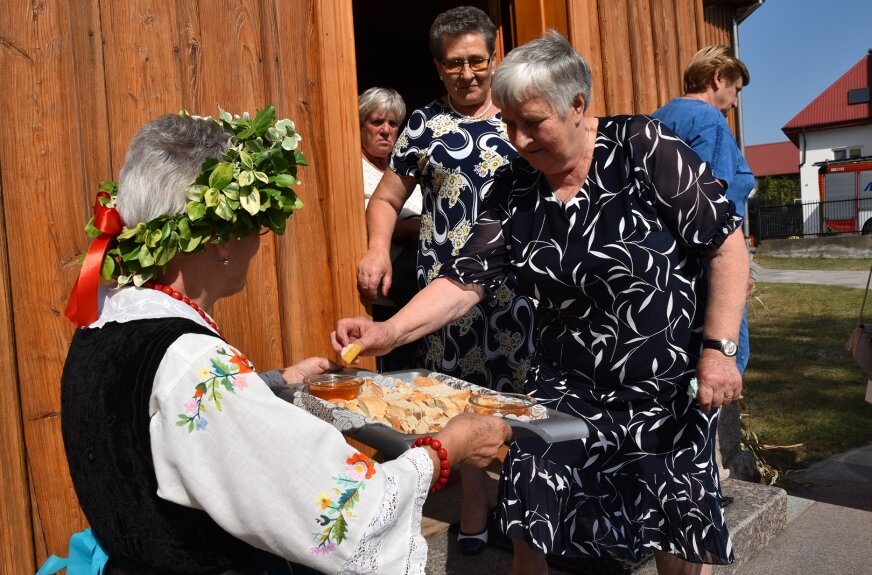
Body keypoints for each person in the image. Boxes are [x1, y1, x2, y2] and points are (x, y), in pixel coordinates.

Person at [333, 31, 749, 575]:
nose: (519, 139)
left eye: (533, 122)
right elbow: (464, 280)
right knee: (532, 518)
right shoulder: (515, 187)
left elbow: (725, 243)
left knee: (673, 534)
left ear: (577, 105)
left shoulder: (642, 147)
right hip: (564, 385)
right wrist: (389, 334)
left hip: (660, 383)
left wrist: (718, 350)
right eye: (508, 123)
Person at [57, 108, 510, 575]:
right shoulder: (194, 365)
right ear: (219, 241)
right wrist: (445, 448)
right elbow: (346, 515)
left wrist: (271, 384)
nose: (261, 239)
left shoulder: (104, 322)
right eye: (257, 222)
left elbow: (163, 427)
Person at [356, 6, 536, 555]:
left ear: (494, 54)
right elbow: (387, 198)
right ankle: (475, 512)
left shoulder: (521, 115)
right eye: (454, 64)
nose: (467, 73)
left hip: (518, 294)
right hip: (447, 297)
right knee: (463, 400)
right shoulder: (424, 126)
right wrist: (376, 250)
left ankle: (528, 513)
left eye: (476, 60)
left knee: (520, 401)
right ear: (438, 67)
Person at [652, 44, 754, 377]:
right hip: (705, 268)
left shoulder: (659, 117)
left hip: (662, 266)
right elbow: (708, 205)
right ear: (717, 78)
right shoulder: (710, 121)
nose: (735, 101)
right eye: (735, 90)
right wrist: (733, 274)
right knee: (718, 367)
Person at [358, 87, 422, 370]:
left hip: (414, 300)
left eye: (393, 124)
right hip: (385, 294)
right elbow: (358, 219)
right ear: (361, 126)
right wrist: (409, 229)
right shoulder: (353, 168)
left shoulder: (403, 170)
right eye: (376, 122)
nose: (386, 130)